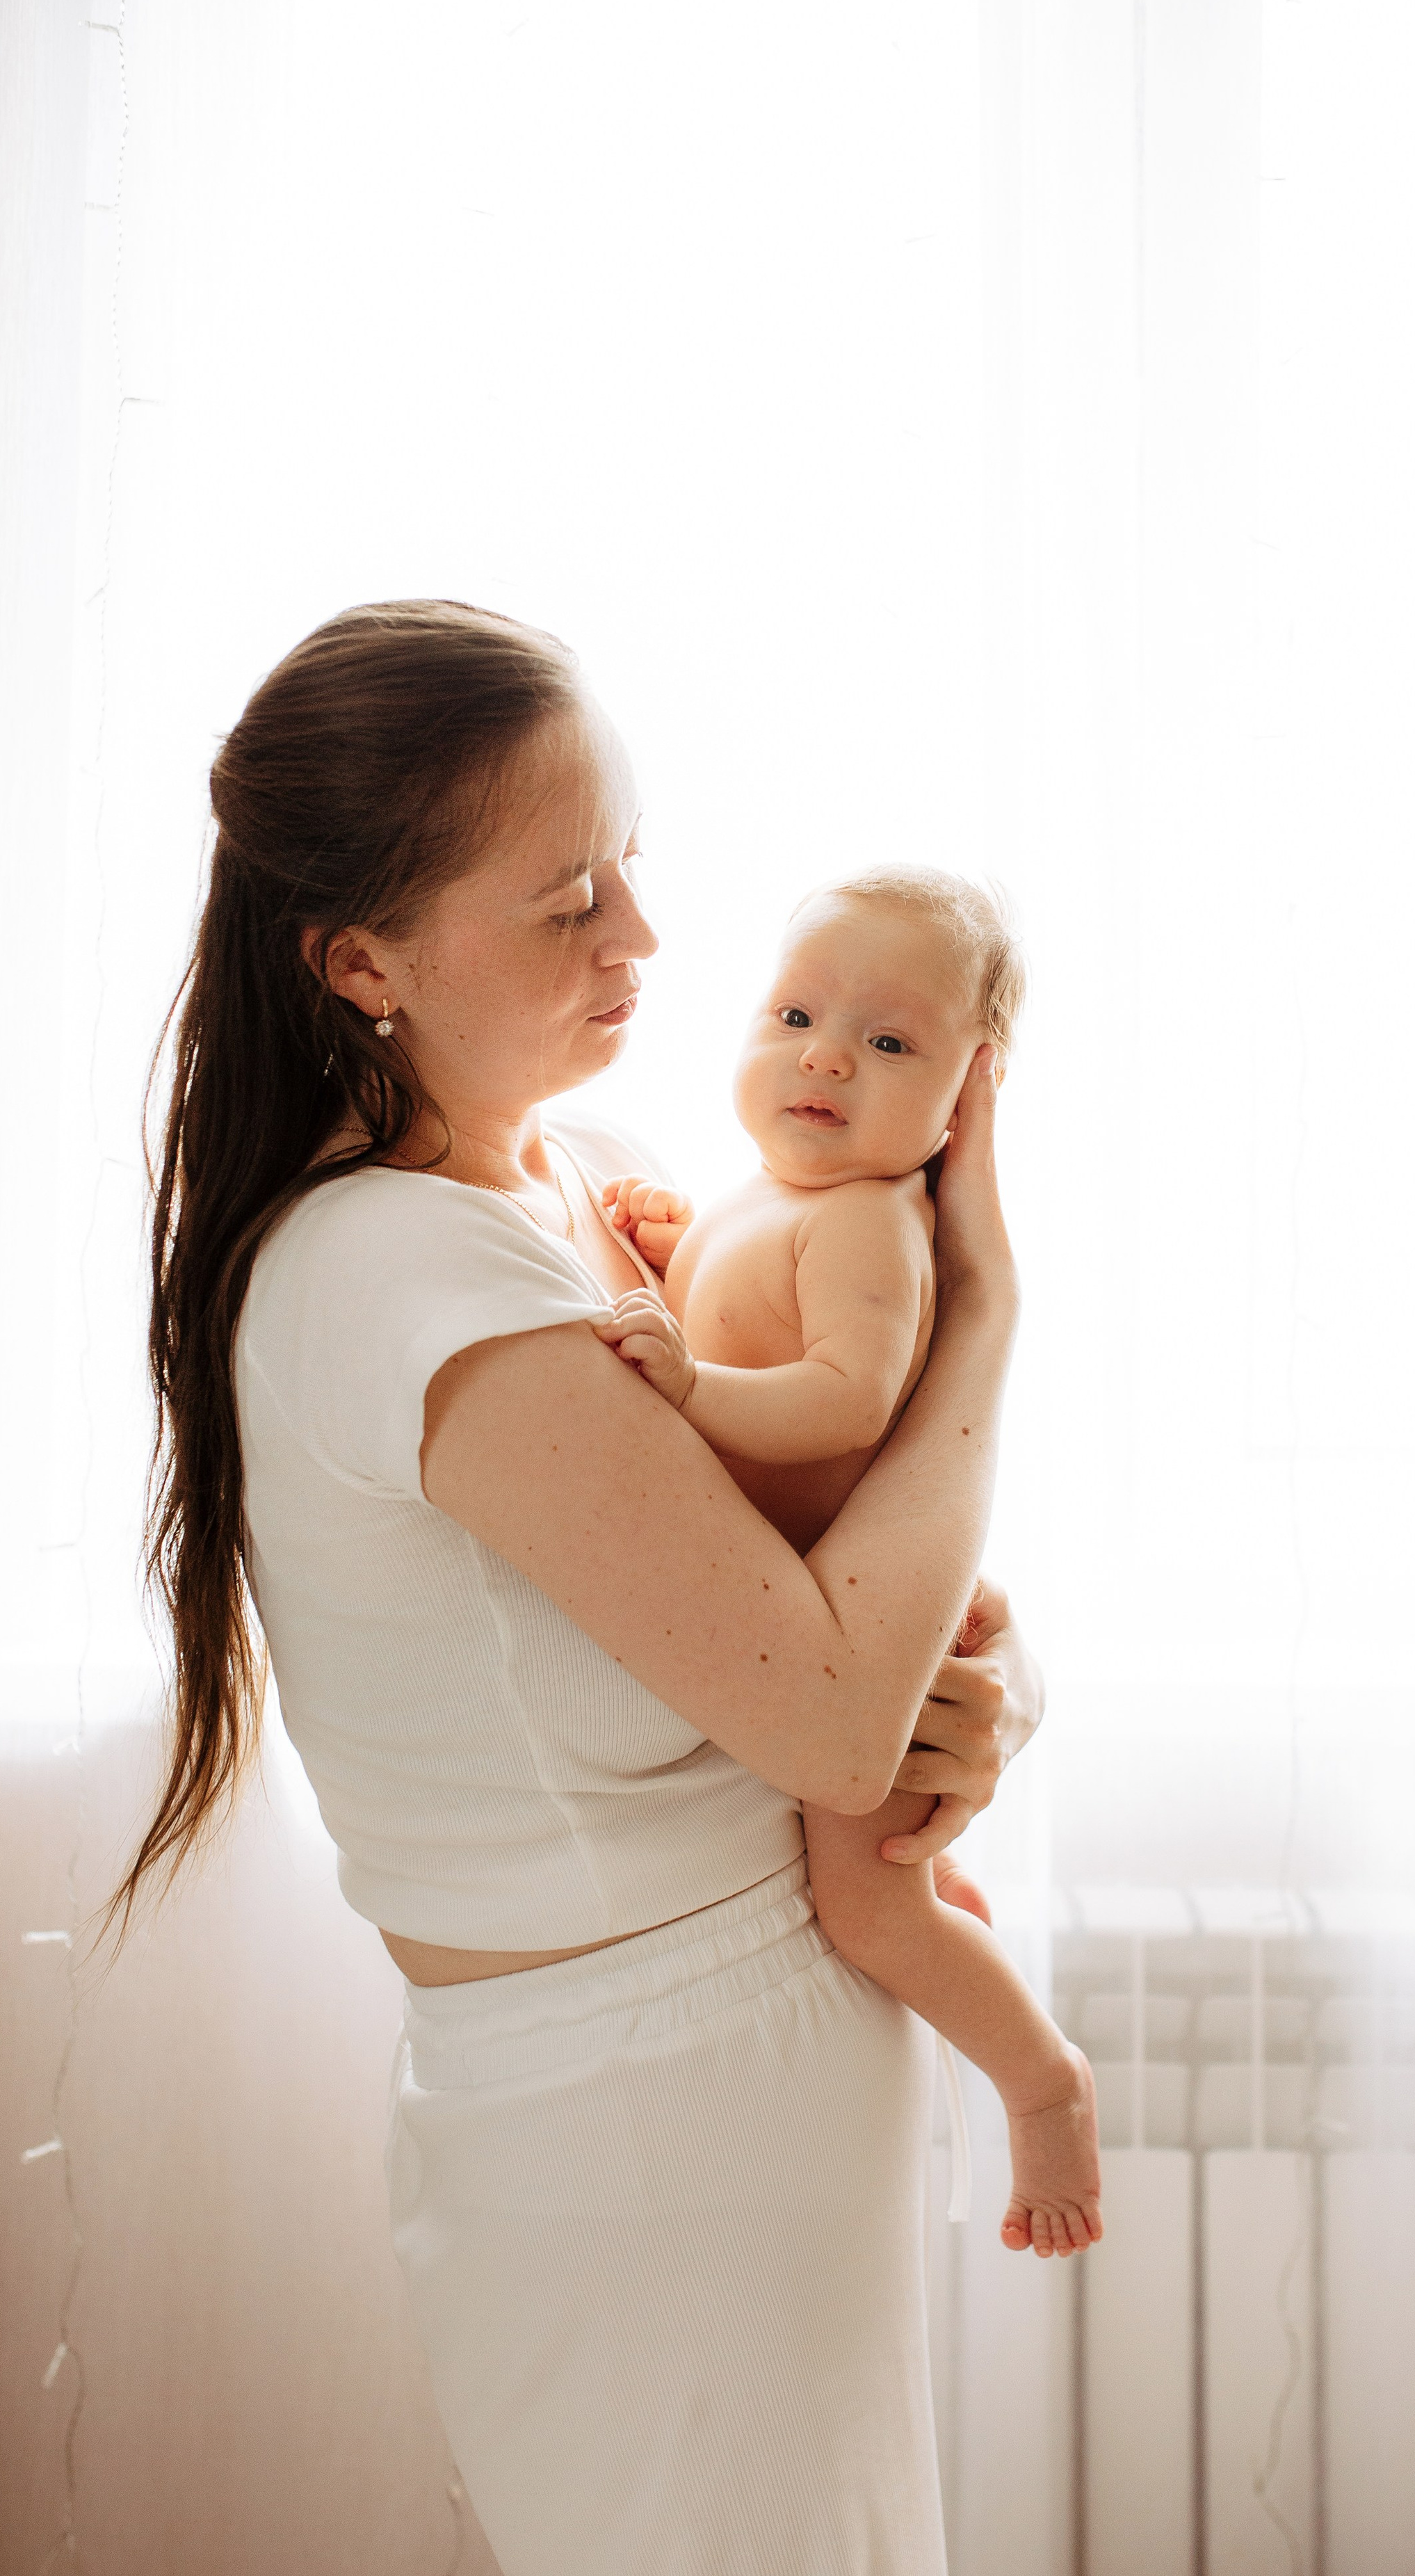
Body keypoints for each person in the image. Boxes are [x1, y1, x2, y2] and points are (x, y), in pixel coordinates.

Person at [115, 599, 1044, 2576]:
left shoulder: (577, 1188)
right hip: (651, 2122)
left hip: (739, 2074)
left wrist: (991, 1687)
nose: (638, 937)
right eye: (564, 901)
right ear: (362, 960)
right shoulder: (398, 1273)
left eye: (633, 864)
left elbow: (843, 1574)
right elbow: (812, 1703)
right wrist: (982, 1317)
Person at [593, 867, 1101, 2258]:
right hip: (814, 1603)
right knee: (893, 1883)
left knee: (862, 1910)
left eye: (887, 1042)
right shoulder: (764, 1195)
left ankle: (1041, 2079)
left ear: (961, 1108)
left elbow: (844, 1397)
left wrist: (690, 1382)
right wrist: (672, 1245)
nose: (823, 1052)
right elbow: (742, 1291)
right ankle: (953, 1921)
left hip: (855, 1633)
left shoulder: (869, 1220)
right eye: (796, 1011)